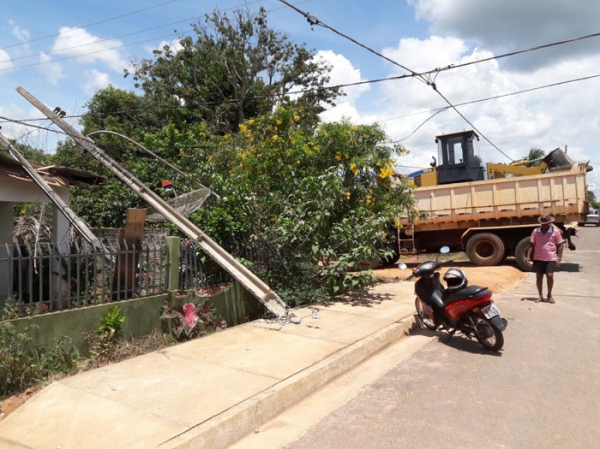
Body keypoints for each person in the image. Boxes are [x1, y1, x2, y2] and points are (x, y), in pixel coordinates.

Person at [525, 214, 564, 303]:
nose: (544, 225)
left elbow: (560, 245)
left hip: (551, 258)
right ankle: (540, 296)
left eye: (546, 223)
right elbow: (531, 244)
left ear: (550, 223)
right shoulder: (535, 231)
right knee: (539, 276)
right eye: (542, 223)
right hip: (538, 257)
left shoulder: (555, 232)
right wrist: (528, 256)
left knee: (549, 275)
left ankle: (549, 294)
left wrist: (559, 258)